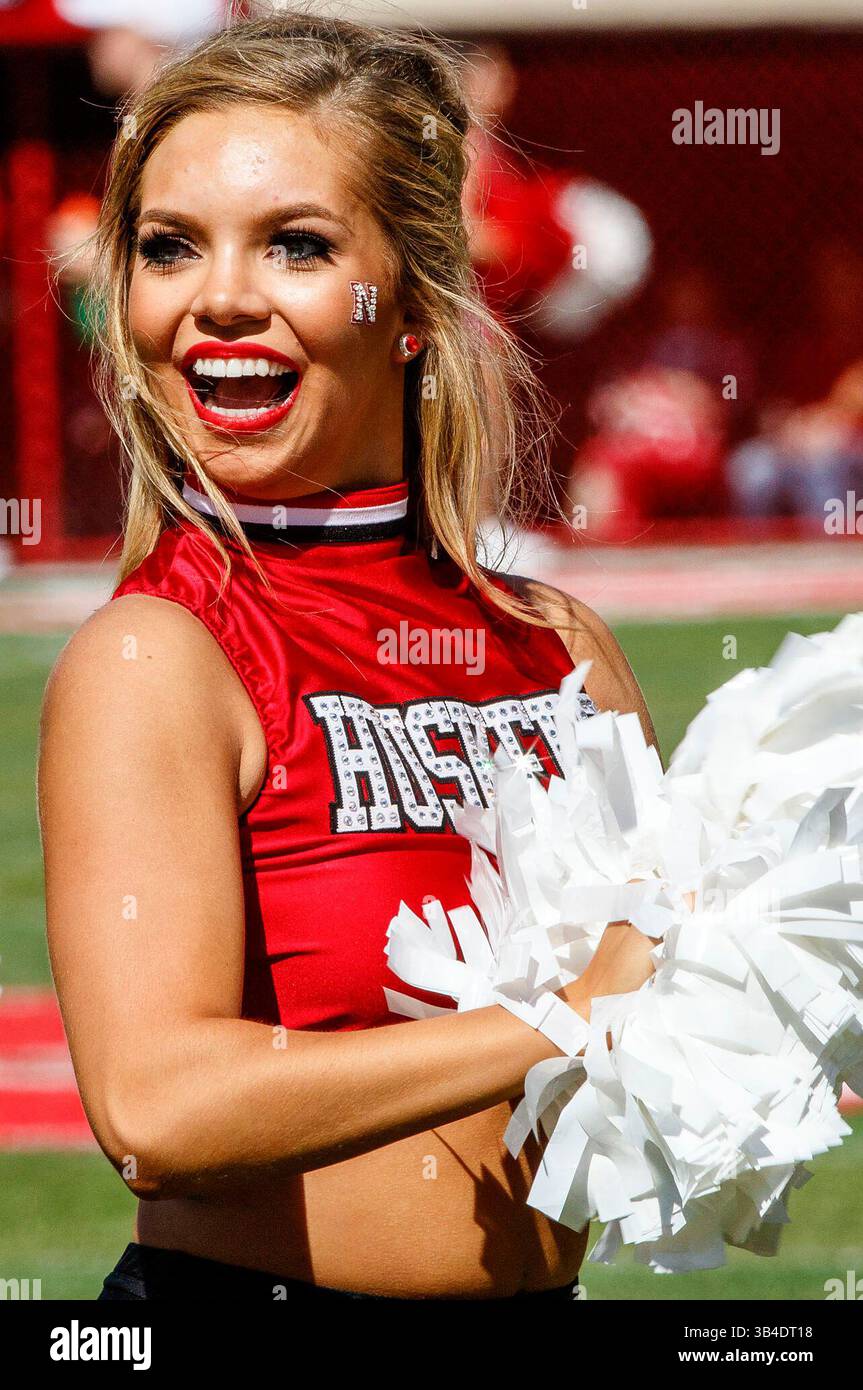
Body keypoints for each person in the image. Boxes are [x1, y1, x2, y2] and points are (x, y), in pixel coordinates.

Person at [38, 11, 659, 1304]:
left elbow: (651, 1001)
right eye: (168, 248)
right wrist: (557, 1018)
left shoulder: (559, 646)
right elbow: (157, 1106)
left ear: (417, 302)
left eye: (298, 246)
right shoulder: (159, 655)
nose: (219, 299)